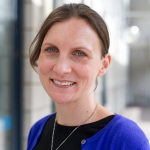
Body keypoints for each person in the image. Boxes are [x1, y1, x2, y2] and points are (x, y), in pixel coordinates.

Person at [27, 3, 150, 150]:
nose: (61, 68)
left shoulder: (125, 139)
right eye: (51, 49)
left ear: (103, 65)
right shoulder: (38, 130)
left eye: (80, 53)